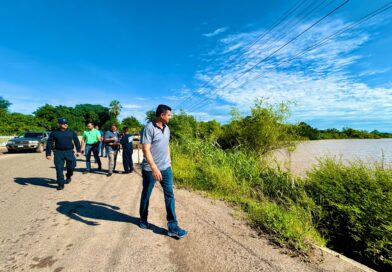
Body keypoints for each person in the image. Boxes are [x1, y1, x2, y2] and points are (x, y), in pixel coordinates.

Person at [139, 104, 187, 238]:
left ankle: (173, 226)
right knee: (146, 195)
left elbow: (167, 146)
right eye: (169, 115)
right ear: (162, 115)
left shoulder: (167, 128)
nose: (170, 117)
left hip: (166, 168)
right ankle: (143, 218)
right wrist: (154, 168)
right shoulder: (148, 128)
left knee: (170, 195)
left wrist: (169, 163)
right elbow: (146, 150)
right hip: (150, 169)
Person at [46, 118, 81, 190]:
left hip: (69, 151)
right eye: (63, 123)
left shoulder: (71, 132)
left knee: (72, 166)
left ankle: (68, 175)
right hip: (58, 152)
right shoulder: (54, 133)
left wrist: (78, 151)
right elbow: (49, 143)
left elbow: (76, 141)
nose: (65, 124)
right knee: (59, 169)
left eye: (66, 123)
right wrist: (48, 154)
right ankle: (60, 184)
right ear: (59, 124)